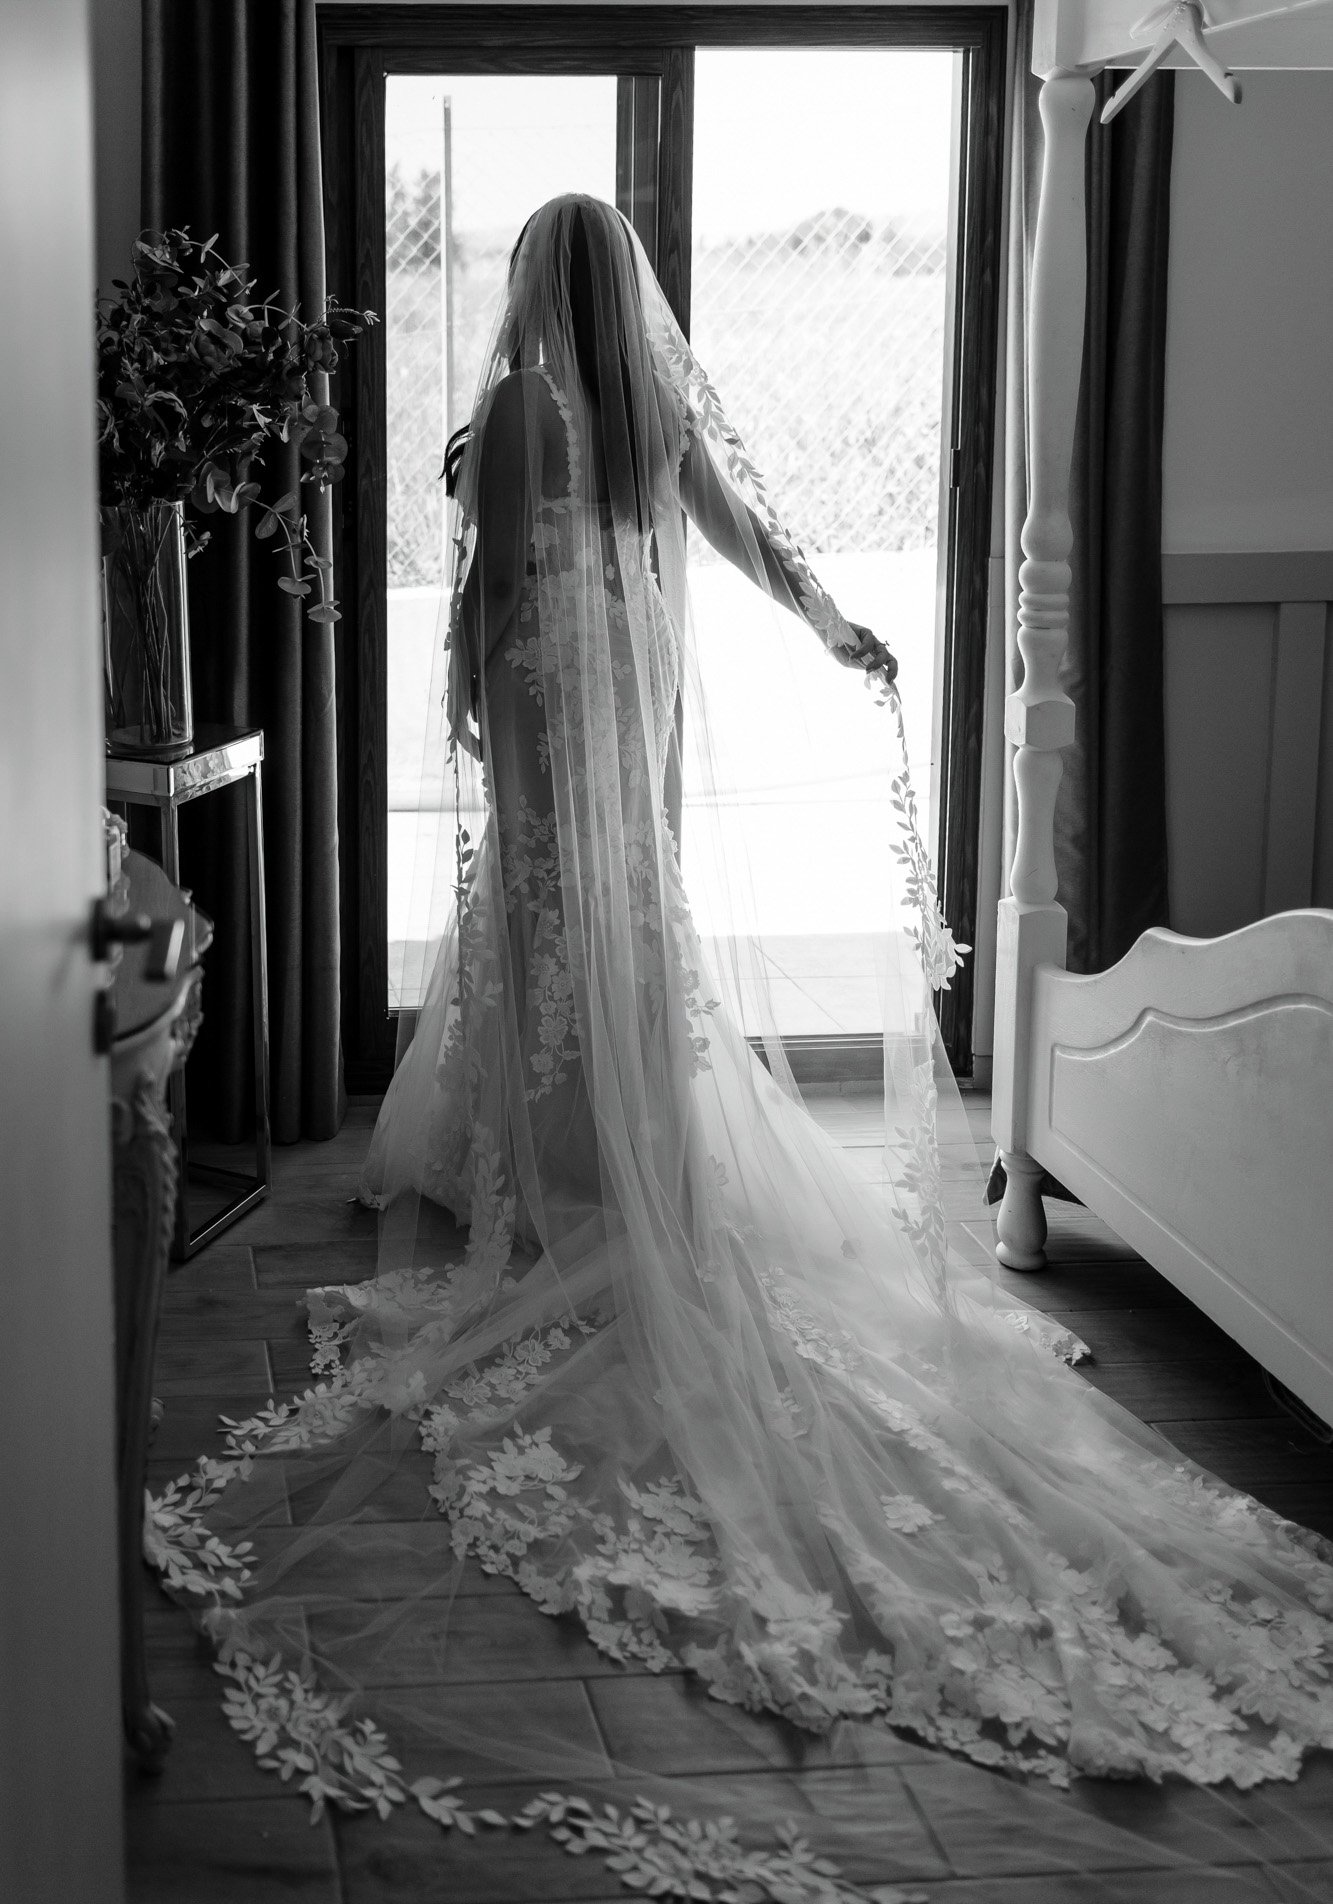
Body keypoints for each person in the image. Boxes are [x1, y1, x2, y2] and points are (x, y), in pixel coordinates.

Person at [186, 196, 1333, 1816]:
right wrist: (831, 623)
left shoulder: (524, 404)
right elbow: (738, 532)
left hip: (546, 680)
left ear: (535, 284)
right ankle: (614, 1145)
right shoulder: (650, 404)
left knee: (541, 912)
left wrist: (454, 695)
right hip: (630, 677)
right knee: (622, 923)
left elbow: (495, 580)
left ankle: (570, 1167)